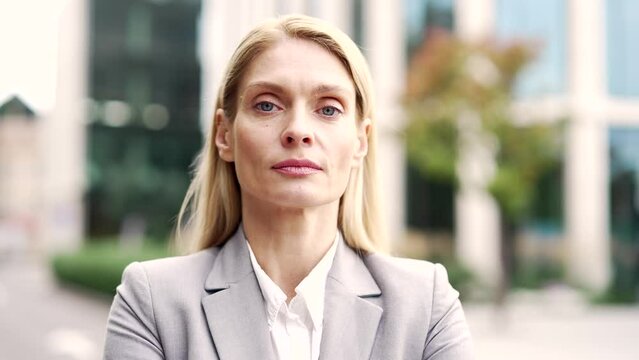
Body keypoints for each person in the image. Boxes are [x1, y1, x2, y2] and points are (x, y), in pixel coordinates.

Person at [103, 14, 473, 360]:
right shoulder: (152, 302)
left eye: (328, 109)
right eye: (267, 105)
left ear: (361, 141)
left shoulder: (425, 305)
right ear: (224, 134)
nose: (298, 130)